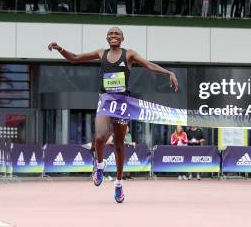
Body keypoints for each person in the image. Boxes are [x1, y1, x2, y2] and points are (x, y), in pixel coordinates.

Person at [48, 27, 178, 203]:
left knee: (118, 145)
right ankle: (100, 165)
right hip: (106, 100)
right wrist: (60, 49)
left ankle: (118, 184)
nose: (113, 36)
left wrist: (168, 72)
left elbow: (149, 65)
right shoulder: (101, 53)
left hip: (122, 102)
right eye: (110, 34)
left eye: (117, 34)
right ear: (107, 38)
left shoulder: (129, 54)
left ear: (122, 38)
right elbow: (76, 58)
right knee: (100, 137)